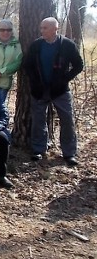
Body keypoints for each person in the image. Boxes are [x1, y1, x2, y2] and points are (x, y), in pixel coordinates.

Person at [23, 17, 83, 166]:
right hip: (39, 89)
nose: (42, 30)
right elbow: (27, 65)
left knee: (67, 120)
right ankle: (38, 149)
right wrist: (34, 81)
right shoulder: (36, 45)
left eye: (45, 28)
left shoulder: (67, 45)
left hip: (60, 90)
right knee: (38, 120)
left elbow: (78, 65)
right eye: (41, 28)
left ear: (55, 28)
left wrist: (64, 79)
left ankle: (69, 153)